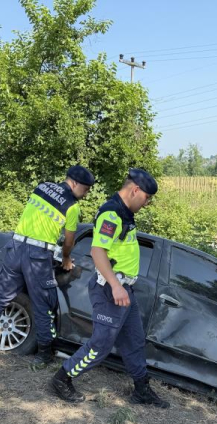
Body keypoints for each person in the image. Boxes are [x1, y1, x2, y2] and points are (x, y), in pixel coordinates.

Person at [49, 168, 169, 408]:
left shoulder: (124, 213)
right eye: (146, 197)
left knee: (134, 340)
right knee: (101, 344)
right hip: (110, 291)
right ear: (135, 190)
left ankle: (141, 390)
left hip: (125, 291)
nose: (147, 203)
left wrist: (122, 287)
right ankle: (62, 379)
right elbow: (97, 252)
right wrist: (116, 286)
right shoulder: (111, 213)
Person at [0, 165, 95, 367]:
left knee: (0, 296)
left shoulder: (42, 188)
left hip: (15, 249)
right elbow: (69, 241)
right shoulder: (72, 206)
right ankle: (43, 355)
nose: (85, 195)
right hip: (37, 257)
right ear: (75, 183)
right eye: (85, 189)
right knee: (43, 304)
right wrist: (66, 258)